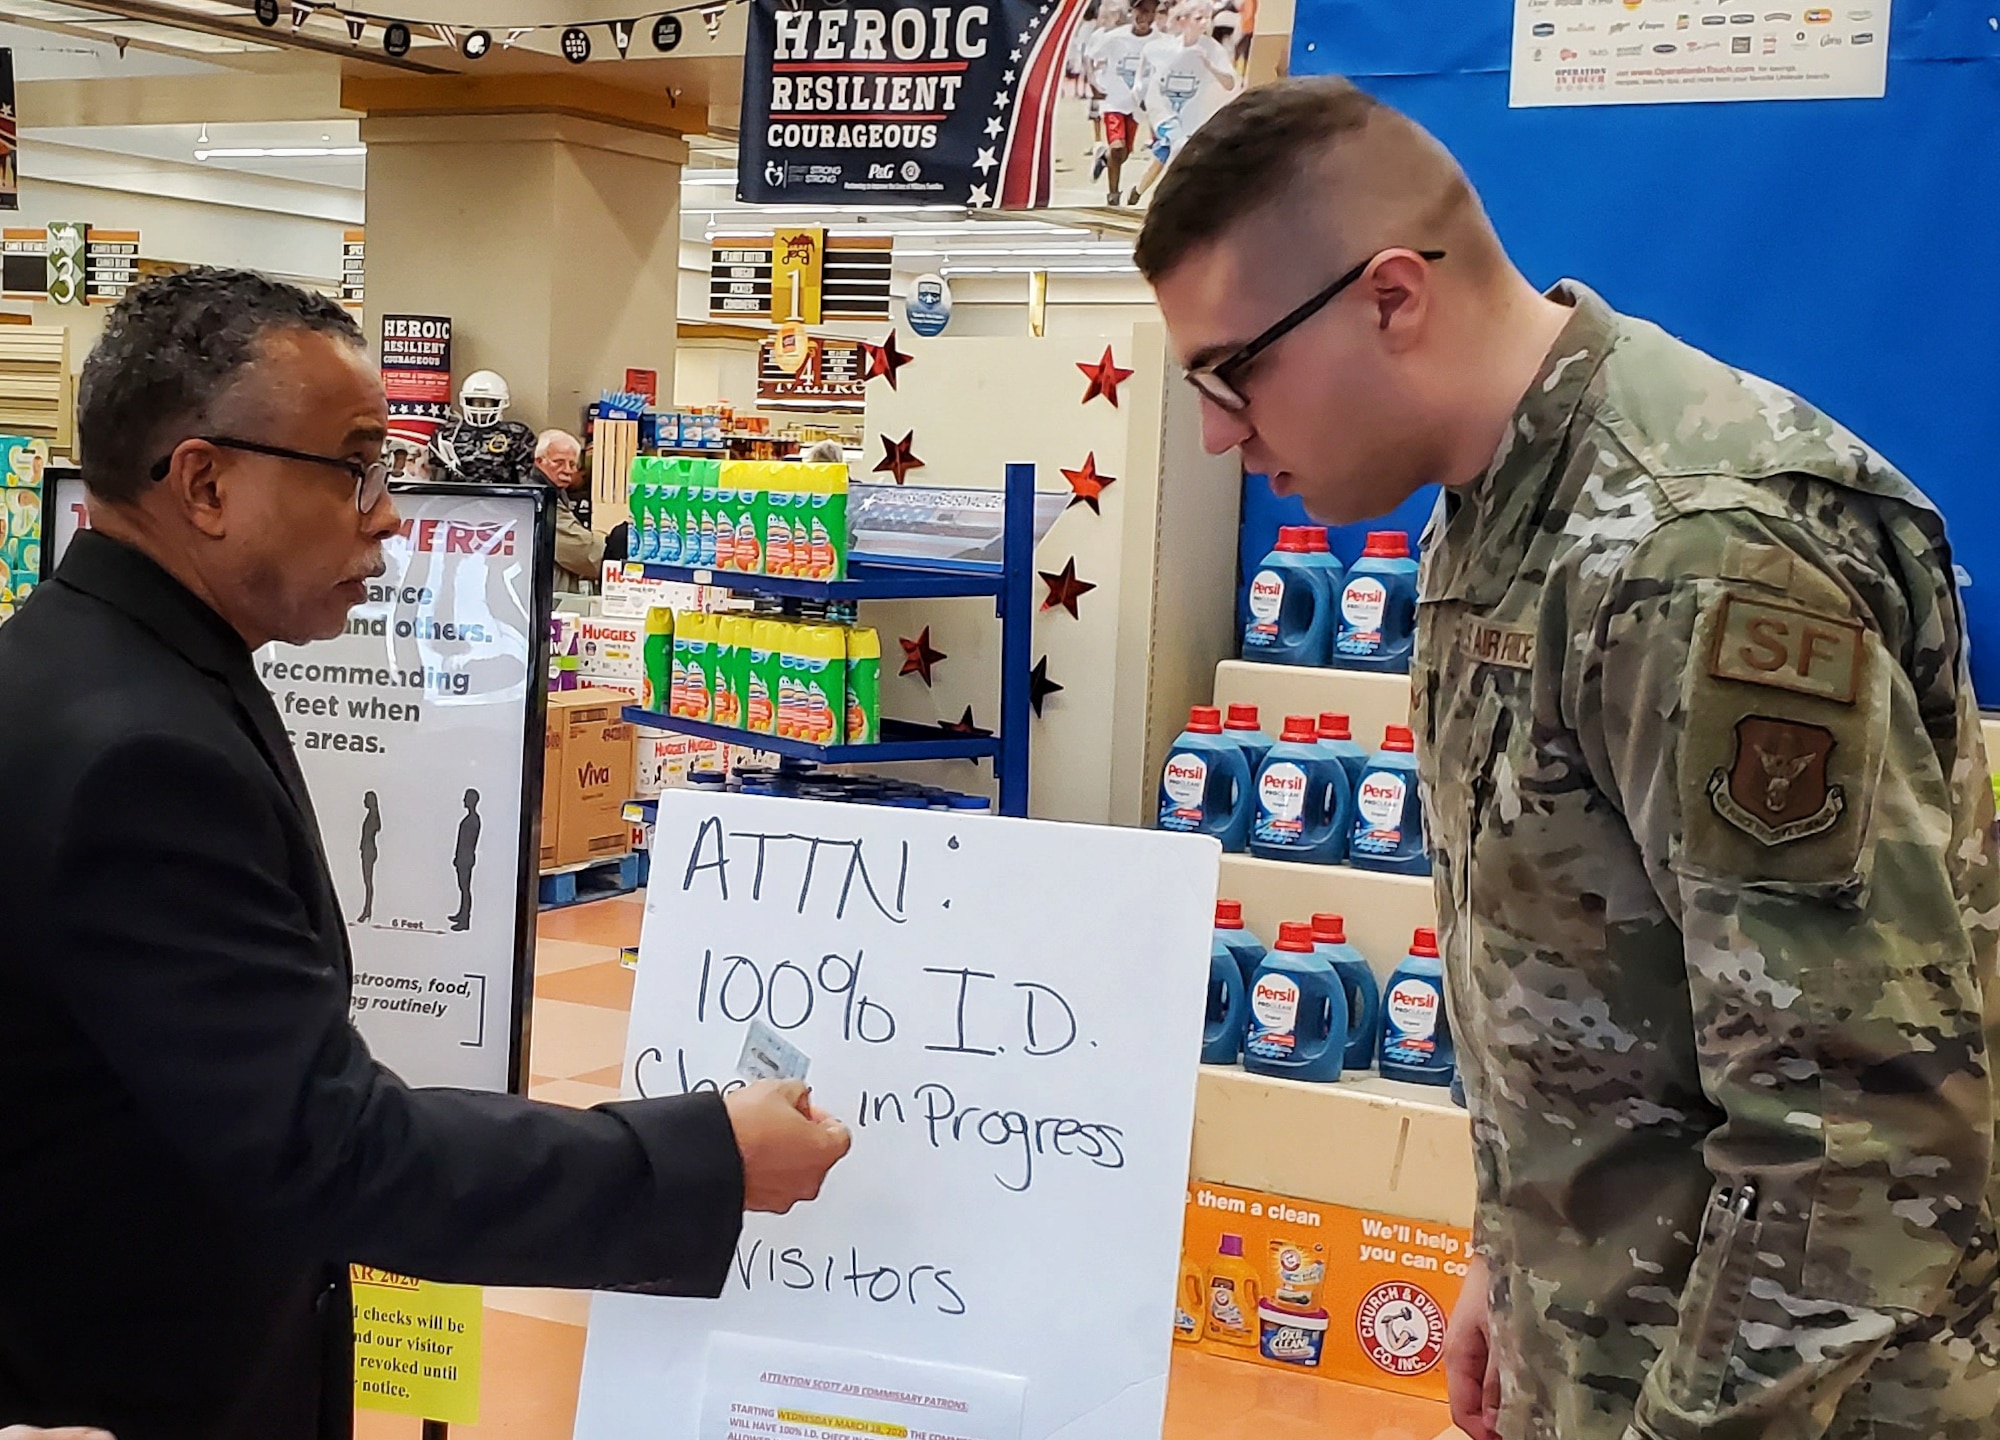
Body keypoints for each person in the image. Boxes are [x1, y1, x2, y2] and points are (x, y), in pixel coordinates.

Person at [1137, 78, 1998, 1440]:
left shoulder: (1696, 557)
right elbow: (1589, 982)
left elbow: (1856, 1159)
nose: (1216, 435)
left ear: (1394, 298)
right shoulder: (1492, 517)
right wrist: (1520, 1254)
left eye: (1229, 373)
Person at [0, 268, 852, 1440]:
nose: (388, 514)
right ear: (204, 482)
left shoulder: (89, 672)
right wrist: (700, 1159)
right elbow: (325, 1148)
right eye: (354, 464)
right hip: (138, 1385)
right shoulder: (136, 754)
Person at [1085, 0, 1158, 206]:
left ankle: (1104, 159)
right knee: (1117, 147)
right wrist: (1094, 83)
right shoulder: (1116, 37)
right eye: (1140, 11)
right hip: (1114, 102)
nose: (1144, 17)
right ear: (1131, 11)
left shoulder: (1158, 40)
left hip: (1136, 106)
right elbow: (1090, 56)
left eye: (1149, 12)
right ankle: (1113, 196)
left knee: (1123, 154)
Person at [534, 427, 605, 592]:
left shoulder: (556, 493)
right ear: (539, 461)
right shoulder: (540, 499)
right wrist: (614, 547)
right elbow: (581, 552)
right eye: (559, 462)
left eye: (572, 464)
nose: (567, 470)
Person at [449, 788, 480, 933]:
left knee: (465, 889)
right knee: (463, 888)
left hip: (465, 858)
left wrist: (460, 857)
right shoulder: (471, 819)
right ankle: (462, 914)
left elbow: (466, 842)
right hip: (464, 857)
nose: (463, 801)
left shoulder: (471, 820)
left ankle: (465, 919)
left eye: (466, 798)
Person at [354, 790, 380, 925]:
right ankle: (367, 909)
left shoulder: (372, 817)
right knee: (367, 882)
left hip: (369, 851)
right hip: (367, 850)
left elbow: (370, 834)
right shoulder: (371, 816)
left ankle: (367, 910)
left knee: (368, 883)